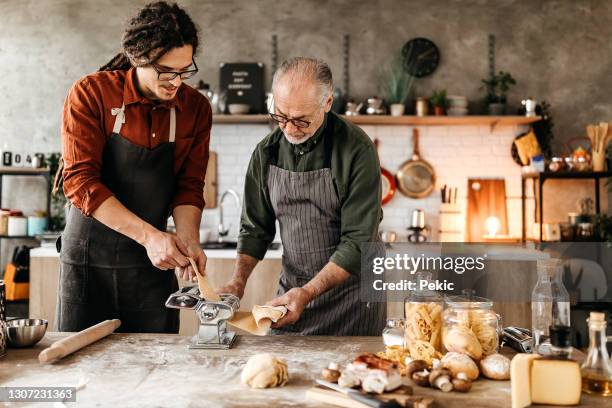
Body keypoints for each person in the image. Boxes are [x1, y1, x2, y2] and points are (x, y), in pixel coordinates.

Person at [57, 1, 210, 333]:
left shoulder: (195, 109)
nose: (177, 82)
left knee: (156, 371)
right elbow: (80, 183)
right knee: (83, 370)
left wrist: (188, 239)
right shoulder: (91, 93)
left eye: (185, 71)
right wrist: (150, 237)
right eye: (166, 71)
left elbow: (189, 186)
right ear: (138, 59)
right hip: (87, 263)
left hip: (150, 270)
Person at [218, 57, 385, 335]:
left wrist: (307, 293)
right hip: (292, 293)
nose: (290, 129)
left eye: (301, 120)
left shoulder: (357, 150)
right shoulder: (266, 152)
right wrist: (238, 282)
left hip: (352, 298)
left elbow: (357, 242)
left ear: (327, 104)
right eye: (281, 116)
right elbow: (254, 229)